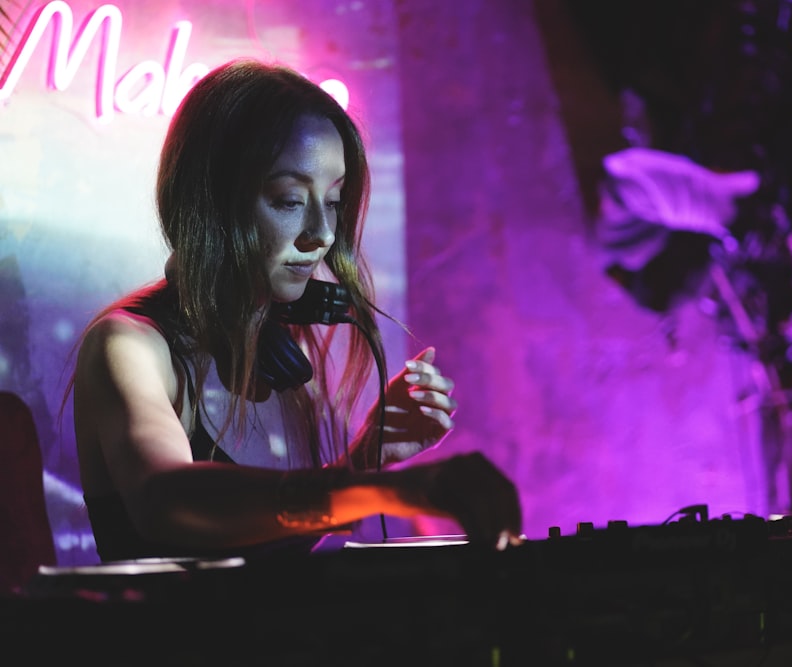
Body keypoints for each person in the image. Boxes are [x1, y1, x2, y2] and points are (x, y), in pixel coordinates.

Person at [68, 58, 522, 563]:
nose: (322, 235)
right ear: (212, 200)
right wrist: (385, 492)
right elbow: (167, 500)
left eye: (332, 201)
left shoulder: (284, 356)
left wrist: (362, 463)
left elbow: (274, 555)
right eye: (288, 200)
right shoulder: (128, 345)